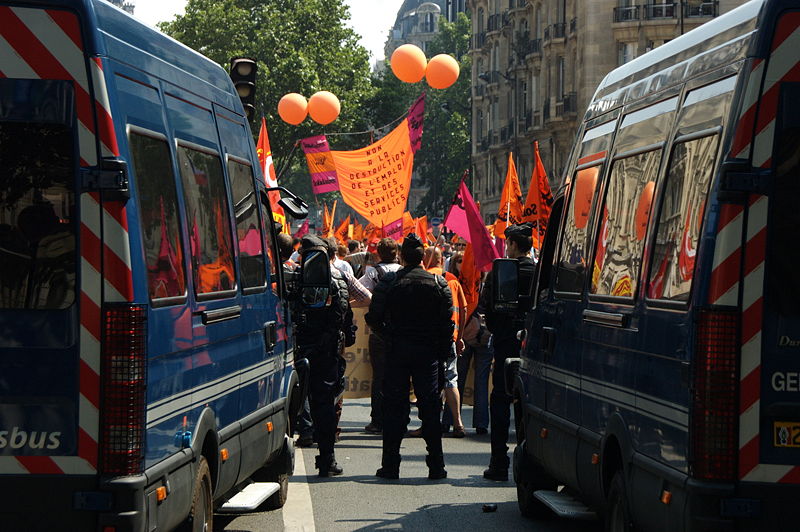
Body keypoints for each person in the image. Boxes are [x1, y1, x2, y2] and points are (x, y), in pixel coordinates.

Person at [365, 233, 453, 480]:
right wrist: (442, 353)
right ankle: (437, 466)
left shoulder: (390, 283)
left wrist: (389, 337)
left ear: (402, 257)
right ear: (423, 257)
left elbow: (373, 318)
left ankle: (391, 466)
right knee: (430, 409)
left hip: (398, 351)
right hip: (427, 354)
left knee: (394, 410)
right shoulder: (438, 283)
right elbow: (447, 325)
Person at [482, 222, 537, 481]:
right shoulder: (540, 273)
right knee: (529, 405)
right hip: (534, 346)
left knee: (501, 400)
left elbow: (487, 310)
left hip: (505, 344)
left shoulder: (499, 272)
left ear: (514, 245)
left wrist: (501, 328)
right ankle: (530, 462)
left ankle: (499, 463)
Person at [294, 235, 353, 477]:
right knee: (324, 404)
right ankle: (327, 458)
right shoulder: (337, 278)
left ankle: (325, 457)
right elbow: (343, 315)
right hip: (324, 351)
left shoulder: (295, 277)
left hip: (300, 347)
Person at [424, 246, 467, 438]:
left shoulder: (425, 277)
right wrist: (460, 336)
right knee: (451, 380)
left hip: (430, 339)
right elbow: (463, 310)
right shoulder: (453, 280)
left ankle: (428, 425)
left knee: (430, 381)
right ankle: (458, 423)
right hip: (451, 337)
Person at [359, 238, 401, 434]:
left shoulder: (373, 272)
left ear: (378, 253)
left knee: (379, 377)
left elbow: (359, 291)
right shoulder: (403, 271)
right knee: (400, 376)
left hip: (379, 332)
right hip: (402, 332)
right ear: (396, 253)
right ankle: (398, 419)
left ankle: (377, 420)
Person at [448, 250, 491, 435]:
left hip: (480, 337)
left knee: (478, 381)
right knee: (456, 380)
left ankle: (480, 424)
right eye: (459, 260)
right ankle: (449, 421)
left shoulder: (483, 284)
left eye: (462, 260)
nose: (463, 264)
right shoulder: (454, 284)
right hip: (466, 337)